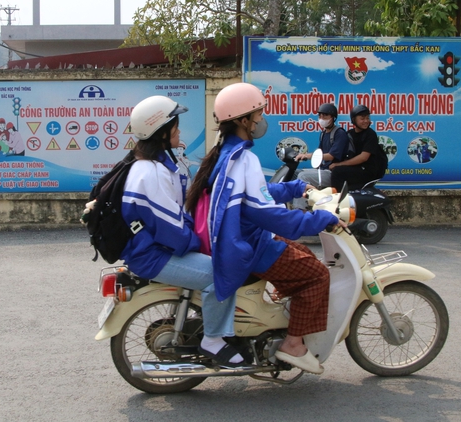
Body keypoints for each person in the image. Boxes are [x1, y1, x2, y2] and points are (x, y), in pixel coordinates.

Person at [185, 83, 346, 374]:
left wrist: (295, 188)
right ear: (243, 120)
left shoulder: (226, 153)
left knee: (302, 254)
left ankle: (279, 316)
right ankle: (293, 345)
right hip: (252, 245)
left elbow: (257, 194)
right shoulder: (244, 159)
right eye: (258, 114)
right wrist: (323, 219)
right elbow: (269, 214)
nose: (262, 120)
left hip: (247, 236)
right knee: (317, 275)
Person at [120, 95, 245, 366]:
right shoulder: (151, 173)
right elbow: (171, 229)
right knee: (223, 272)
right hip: (153, 255)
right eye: (175, 127)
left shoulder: (155, 165)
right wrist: (198, 242)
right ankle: (213, 340)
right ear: (160, 133)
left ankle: (205, 318)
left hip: (154, 248)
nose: (179, 131)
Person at [329, 104, 388, 191]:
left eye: (367, 118)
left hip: (367, 171)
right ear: (354, 120)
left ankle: (338, 197)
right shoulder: (349, 134)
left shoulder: (370, 134)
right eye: (362, 119)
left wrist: (339, 164)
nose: (366, 121)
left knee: (338, 172)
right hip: (356, 168)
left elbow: (363, 157)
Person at [295, 102, 350, 188]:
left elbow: (331, 156)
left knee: (303, 176)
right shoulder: (323, 133)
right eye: (320, 116)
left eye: (325, 116)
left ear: (333, 118)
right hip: (323, 169)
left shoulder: (339, 133)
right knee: (295, 173)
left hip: (333, 173)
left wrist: (307, 156)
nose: (322, 119)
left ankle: (303, 197)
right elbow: (319, 153)